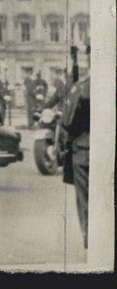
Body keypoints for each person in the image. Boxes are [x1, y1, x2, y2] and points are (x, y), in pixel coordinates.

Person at [61, 47, 90, 249]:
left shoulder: (82, 87)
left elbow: (68, 121)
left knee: (85, 197)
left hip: (85, 148)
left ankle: (90, 237)